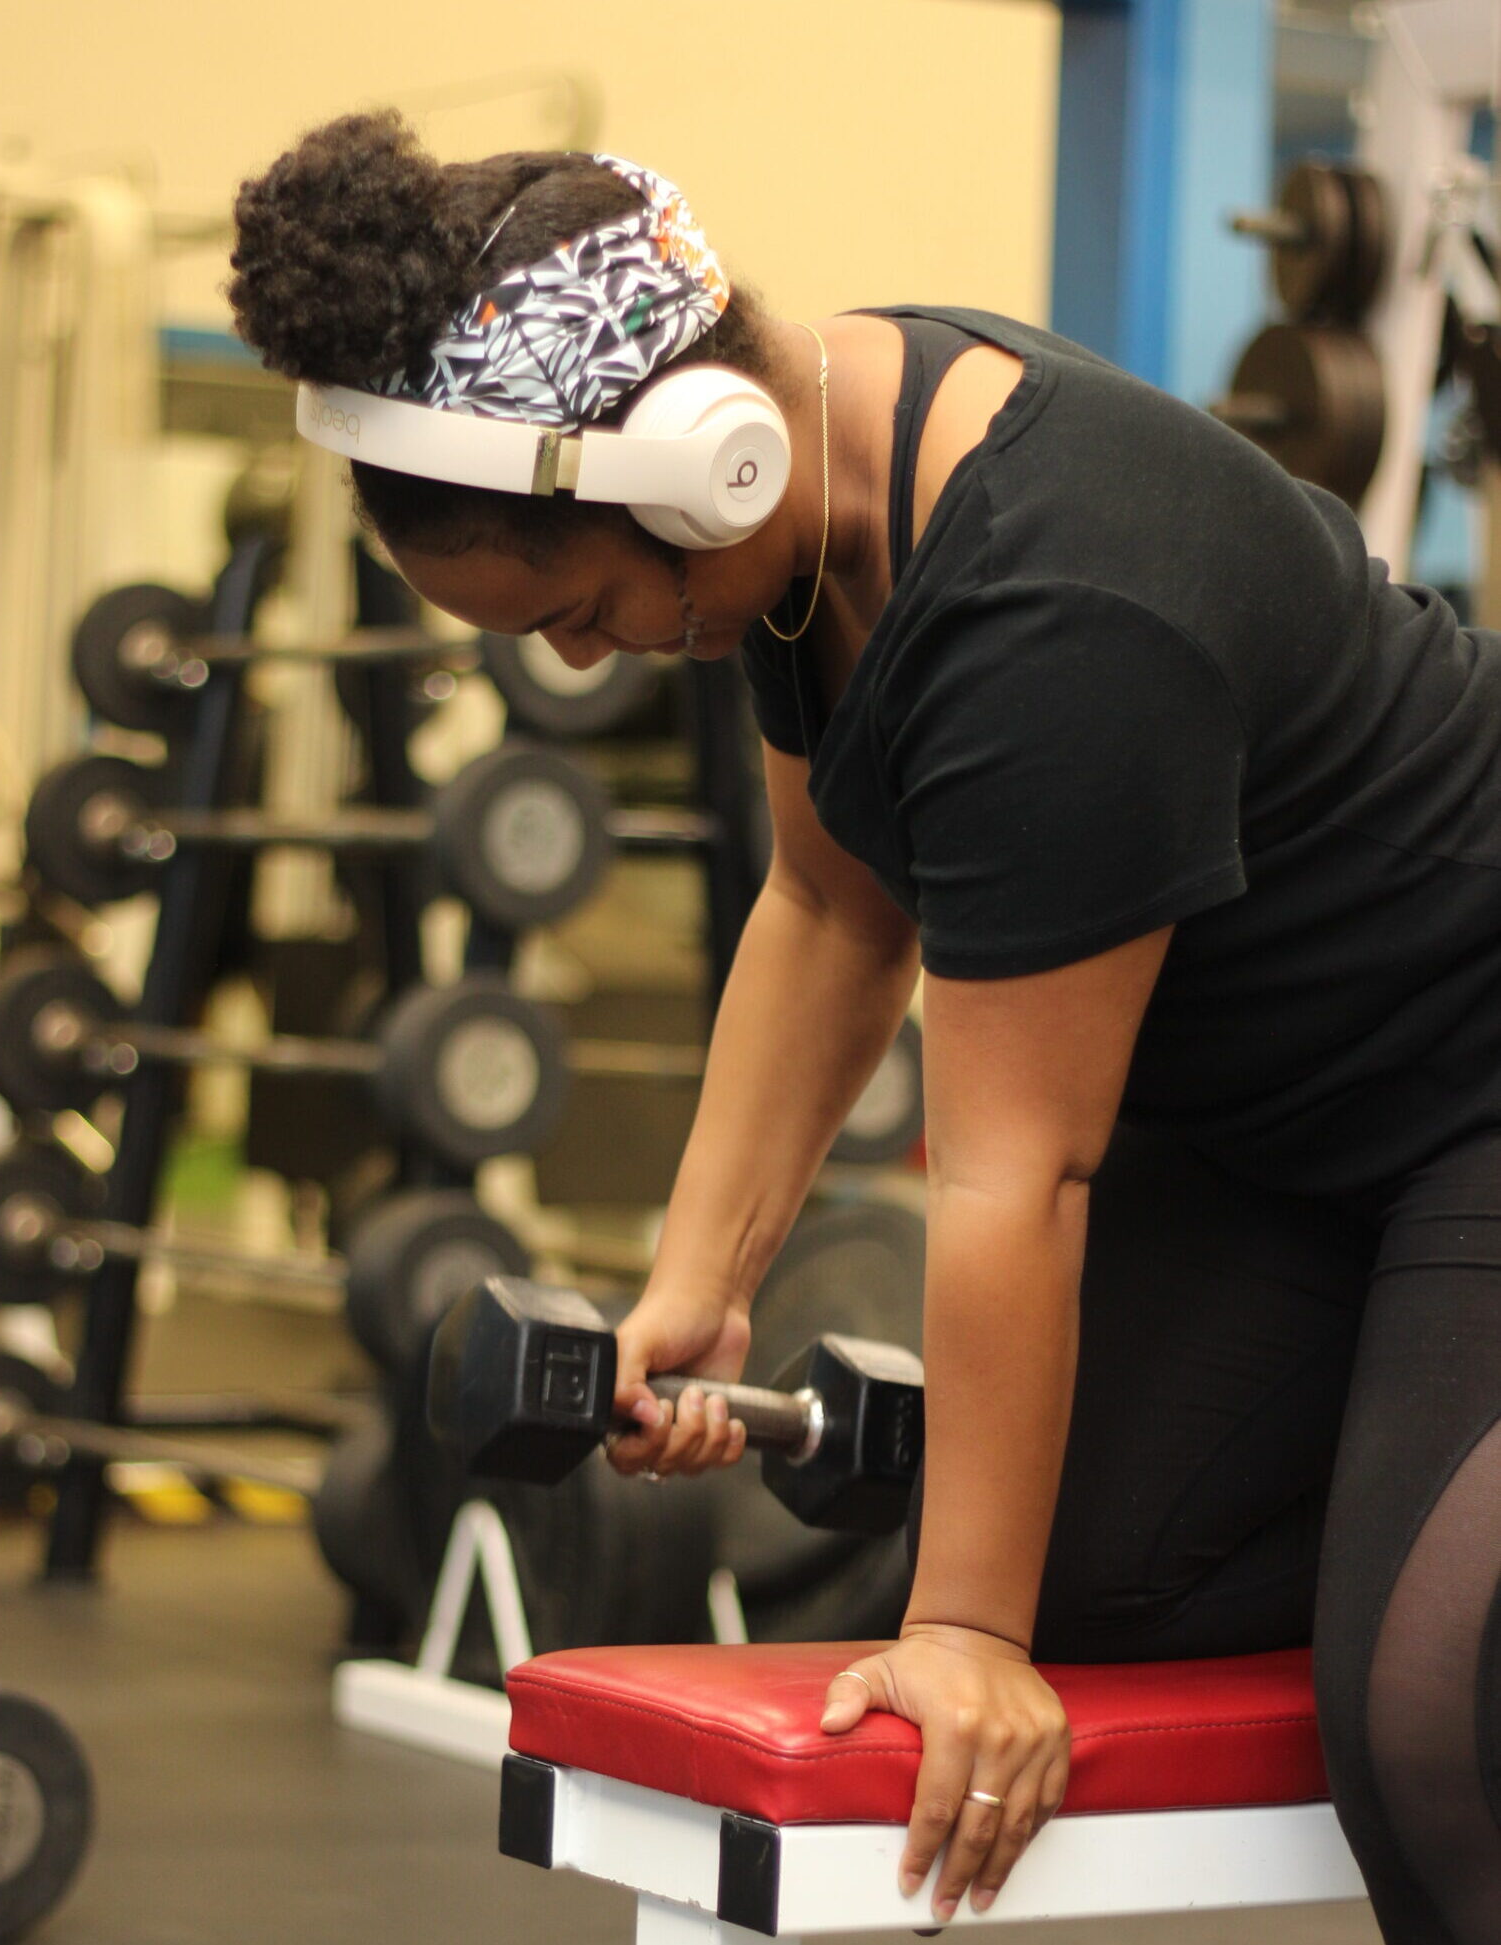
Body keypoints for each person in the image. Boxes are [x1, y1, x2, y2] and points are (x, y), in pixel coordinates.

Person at [229, 111, 1501, 1942]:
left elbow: (1020, 1174)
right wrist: (699, 1280)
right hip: (1278, 1136)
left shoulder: (1057, 607)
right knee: (1104, 1582)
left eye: (579, 610)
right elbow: (828, 905)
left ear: (703, 466)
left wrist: (965, 1637)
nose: (581, 661)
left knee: (1435, 1712)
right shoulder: (820, 514)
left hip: (1474, 1083)